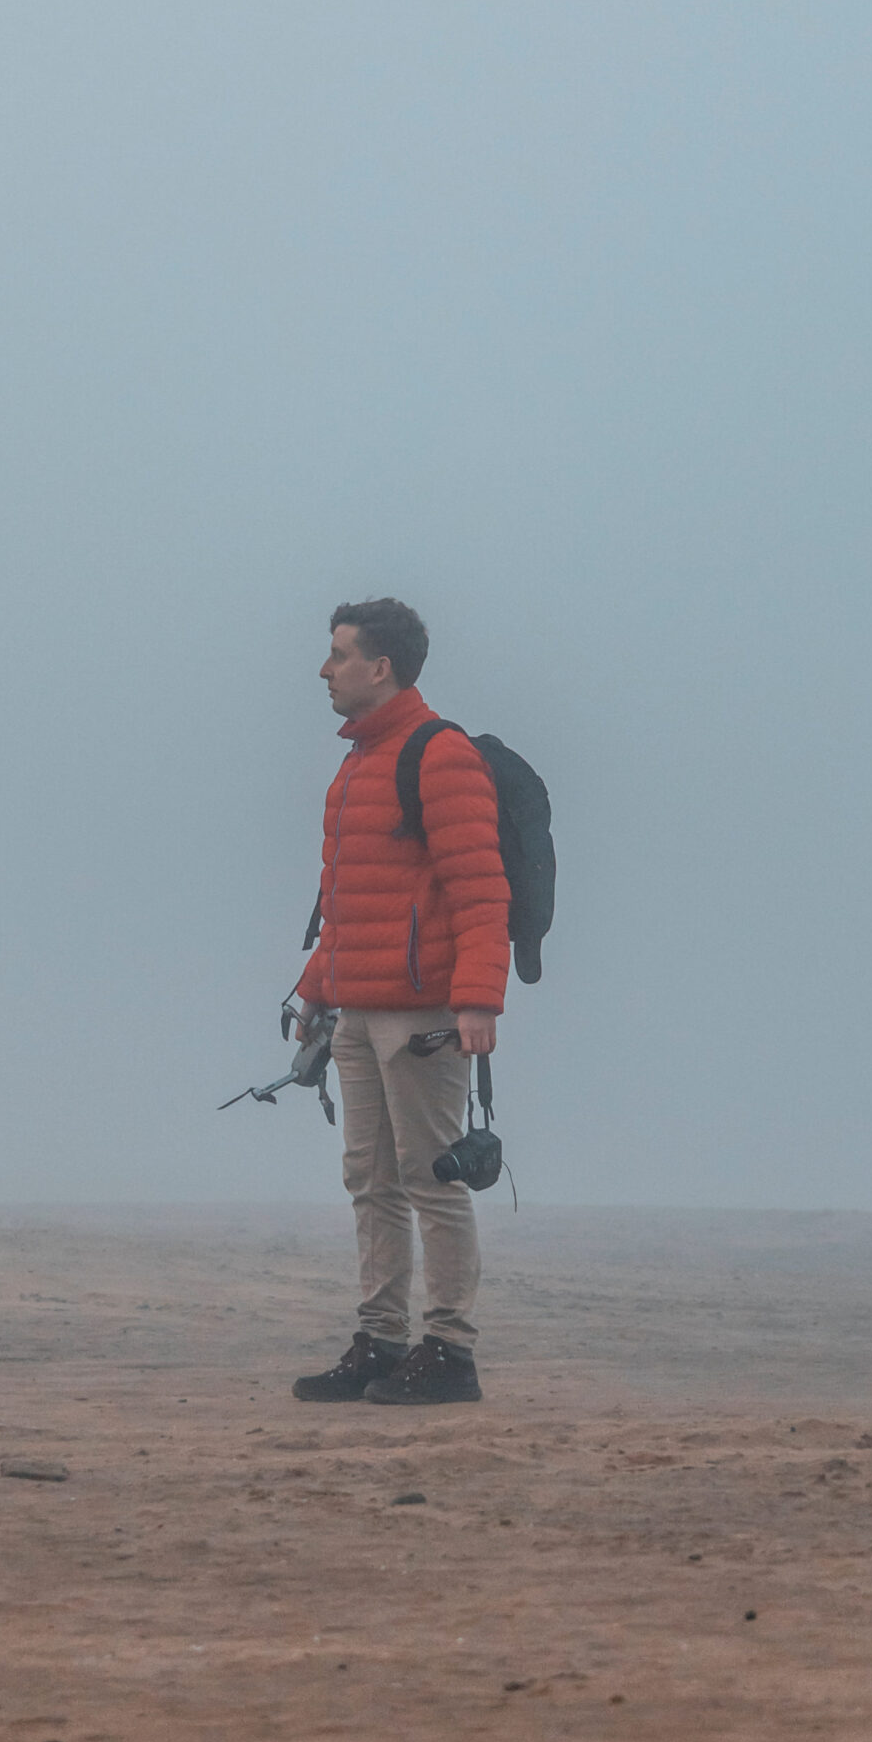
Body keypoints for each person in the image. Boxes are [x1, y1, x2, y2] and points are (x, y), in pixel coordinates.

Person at [288, 598, 509, 1406]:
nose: (324, 670)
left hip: (425, 1018)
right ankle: (381, 1340)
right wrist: (316, 992)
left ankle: (450, 1351)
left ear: (380, 667)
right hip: (357, 1010)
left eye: (339, 654)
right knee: (371, 1180)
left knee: (432, 1181)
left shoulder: (439, 755)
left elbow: (481, 888)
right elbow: (349, 902)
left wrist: (478, 1000)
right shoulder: (358, 764)